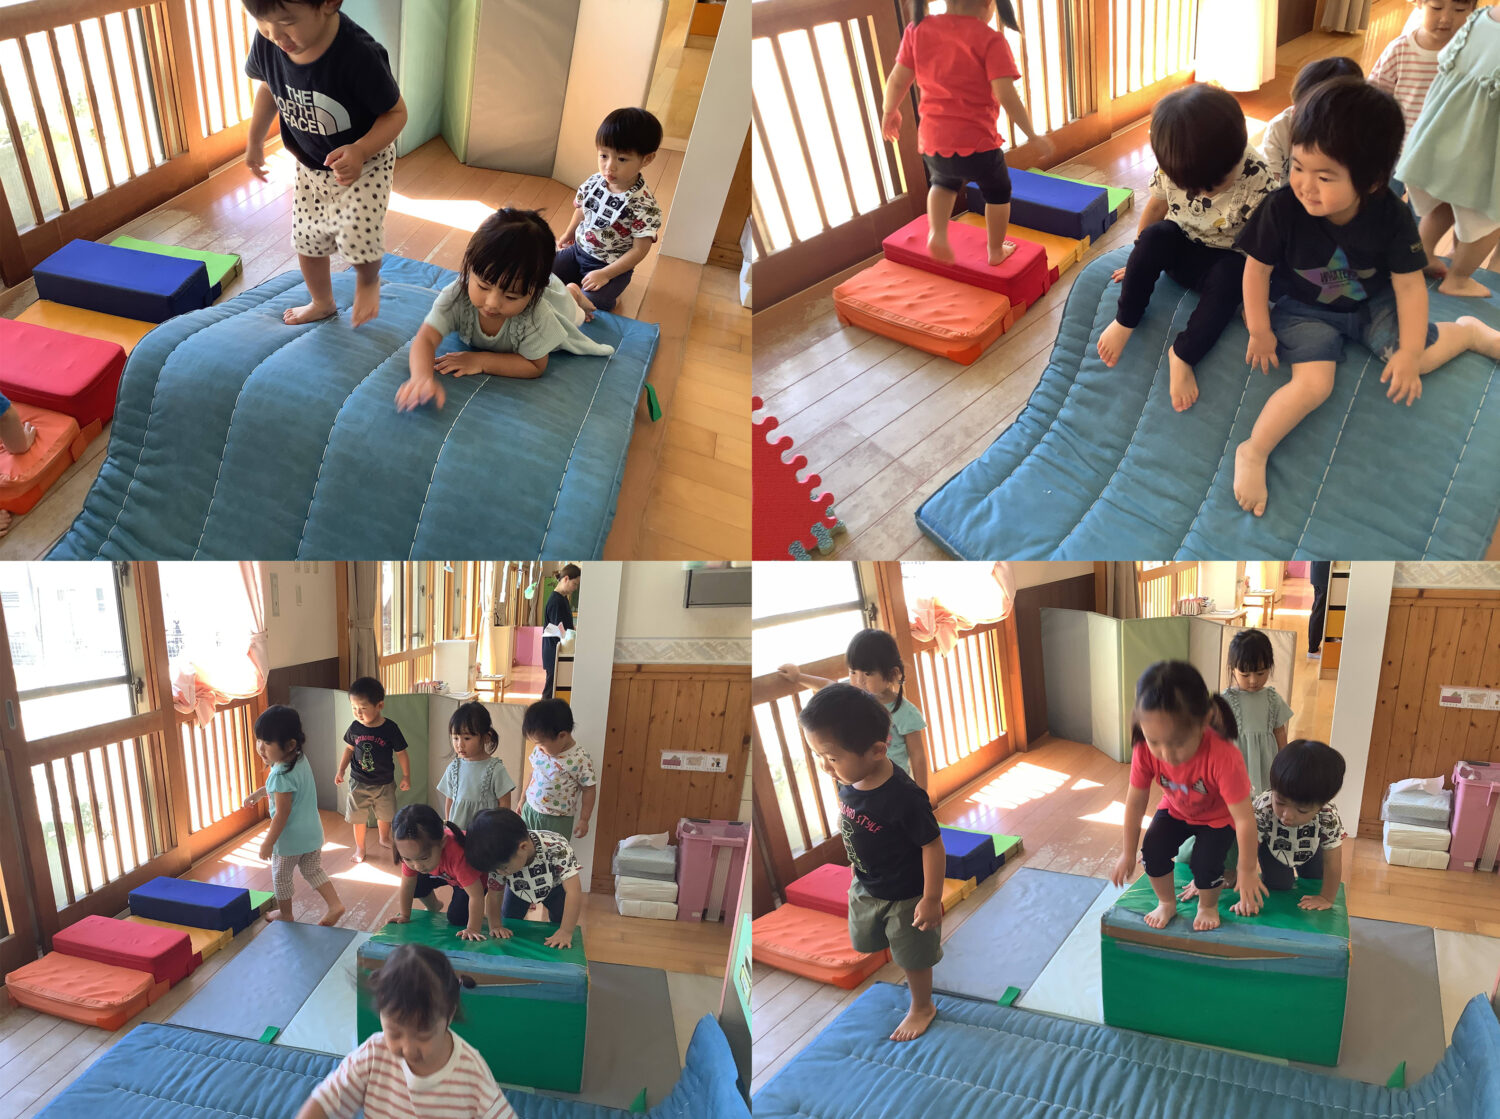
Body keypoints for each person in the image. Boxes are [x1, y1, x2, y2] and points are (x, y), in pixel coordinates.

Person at [1233, 77, 1500, 518]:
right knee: (1314, 385)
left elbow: (1409, 285)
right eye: (1298, 167)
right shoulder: (1282, 207)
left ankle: (1468, 333)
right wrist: (1260, 330)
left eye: (1325, 176)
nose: (1305, 185)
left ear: (1373, 180)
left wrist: (1409, 352)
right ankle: (1253, 450)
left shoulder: (1391, 214)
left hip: (1372, 305)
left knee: (1418, 359)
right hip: (1304, 309)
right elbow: (1256, 270)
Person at [1096, 84, 1276, 411]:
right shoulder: (1174, 164)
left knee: (1233, 273)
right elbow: (1155, 209)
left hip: (1224, 262)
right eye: (1191, 186)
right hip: (1180, 246)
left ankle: (1183, 355)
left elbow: (1262, 254)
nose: (1204, 193)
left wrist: (1256, 312)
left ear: (1239, 153)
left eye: (1214, 185)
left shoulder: (1259, 179)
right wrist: (1139, 261)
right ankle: (1125, 320)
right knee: (1155, 236)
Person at [242, 0, 407, 327]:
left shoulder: (358, 55)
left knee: (358, 236)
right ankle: (322, 302)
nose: (275, 35)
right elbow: (268, 89)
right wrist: (255, 141)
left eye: (287, 22)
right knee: (307, 240)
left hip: (365, 164)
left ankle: (368, 282)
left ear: (329, 3)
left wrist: (360, 150)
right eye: (263, 22)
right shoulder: (269, 41)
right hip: (310, 166)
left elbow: (396, 114)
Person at [801, 683, 944, 1041]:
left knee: (913, 957)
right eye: (819, 756)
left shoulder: (905, 798)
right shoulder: (850, 778)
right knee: (867, 941)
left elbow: (933, 846)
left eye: (832, 758)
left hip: (906, 894)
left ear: (878, 750)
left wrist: (930, 899)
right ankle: (899, 956)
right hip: (866, 882)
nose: (825, 767)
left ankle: (922, 1006)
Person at [881, 0, 1052, 267]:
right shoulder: (990, 40)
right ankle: (995, 250)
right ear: (989, 3)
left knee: (942, 183)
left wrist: (889, 112)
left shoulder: (918, 30)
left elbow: (897, 80)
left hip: (934, 142)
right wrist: (1032, 135)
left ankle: (938, 234)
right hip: (978, 144)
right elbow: (1006, 95)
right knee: (998, 192)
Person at [393, 210, 613, 411]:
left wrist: (481, 361)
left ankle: (573, 292)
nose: (492, 303)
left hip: (556, 302)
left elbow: (535, 365)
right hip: (533, 284)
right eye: (483, 286)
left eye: (510, 297)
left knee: (574, 314)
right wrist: (421, 377)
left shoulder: (536, 316)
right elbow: (426, 338)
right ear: (469, 266)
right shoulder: (456, 296)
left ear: (533, 293)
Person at [1108, 661, 1263, 932]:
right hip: (1176, 809)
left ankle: (1207, 906)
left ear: (1204, 721)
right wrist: (1128, 852)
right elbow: (1135, 802)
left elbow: (1244, 818)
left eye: (1178, 743)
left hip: (1218, 818)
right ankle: (1166, 902)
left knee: (1205, 865)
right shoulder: (1143, 747)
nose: (1167, 754)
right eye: (1155, 741)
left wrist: (1247, 869)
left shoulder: (1224, 756)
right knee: (1152, 852)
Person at [296, 943, 515, 1119]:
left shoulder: (471, 1072)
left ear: (449, 1015)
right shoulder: (373, 1054)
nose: (408, 1049)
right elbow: (326, 1101)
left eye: (423, 1035)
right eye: (395, 1033)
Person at [1396, 3, 1500, 297]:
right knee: (1490, 219)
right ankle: (1459, 278)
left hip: (1441, 138)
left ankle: (1420, 257)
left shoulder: (1481, 19)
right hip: (1483, 151)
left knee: (1442, 205)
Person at [1371, 0, 1471, 275]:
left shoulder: (1469, 54)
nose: (1446, 19)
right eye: (1436, 8)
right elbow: (1375, 95)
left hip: (1437, 157)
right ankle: (1375, 255)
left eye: (1460, 11)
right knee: (1379, 204)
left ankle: (1411, 261)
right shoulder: (1401, 49)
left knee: (1423, 216)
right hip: (1394, 150)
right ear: (1418, 3)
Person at [779, 628, 928, 784]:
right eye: (853, 672)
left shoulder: (906, 713)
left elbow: (917, 755)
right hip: (857, 778)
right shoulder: (851, 694)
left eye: (868, 673)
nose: (859, 680)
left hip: (892, 783)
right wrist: (798, 677)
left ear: (892, 674)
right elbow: (827, 685)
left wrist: (922, 791)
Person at [553, 108, 664, 313]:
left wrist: (605, 274)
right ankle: (575, 284)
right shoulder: (594, 182)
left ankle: (609, 296)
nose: (609, 167)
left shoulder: (644, 205)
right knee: (540, 273)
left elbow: (639, 250)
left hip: (611, 268)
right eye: (603, 155)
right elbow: (582, 210)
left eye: (622, 159)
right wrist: (569, 233)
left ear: (647, 159)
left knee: (592, 303)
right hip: (578, 251)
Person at [244, 705, 344, 925]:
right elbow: (286, 792)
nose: (260, 747)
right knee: (313, 870)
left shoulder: (280, 774)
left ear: (289, 744)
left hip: (289, 841)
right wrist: (260, 793)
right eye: (259, 740)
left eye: (267, 742)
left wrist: (268, 842)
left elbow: (282, 814)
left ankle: (286, 914)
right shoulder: (299, 759)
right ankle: (335, 905)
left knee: (281, 877)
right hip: (312, 833)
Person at [468, 808, 583, 949]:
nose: (500, 873)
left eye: (504, 868)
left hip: (555, 887)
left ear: (523, 847)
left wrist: (566, 931)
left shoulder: (557, 847)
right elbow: (494, 894)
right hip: (518, 887)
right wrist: (496, 925)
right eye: (495, 870)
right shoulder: (499, 860)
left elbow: (574, 892)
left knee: (560, 919)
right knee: (509, 918)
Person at [335, 676, 410, 863]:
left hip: (384, 783)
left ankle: (384, 838)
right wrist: (341, 770)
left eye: (363, 708)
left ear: (379, 706)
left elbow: (401, 752)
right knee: (358, 817)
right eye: (354, 708)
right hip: (358, 782)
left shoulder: (390, 728)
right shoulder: (355, 727)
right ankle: (360, 848)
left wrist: (406, 775)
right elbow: (349, 750)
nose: (358, 713)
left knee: (385, 815)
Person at [1260, 57, 1363, 186]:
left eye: (1310, 116)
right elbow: (1269, 183)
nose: (1296, 114)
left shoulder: (1358, 138)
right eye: (1298, 107)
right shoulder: (1280, 127)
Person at [389, 803, 487, 941]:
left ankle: (475, 914)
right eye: (408, 859)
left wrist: (473, 928)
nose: (417, 865)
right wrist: (405, 915)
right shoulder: (413, 853)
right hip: (444, 873)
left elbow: (476, 896)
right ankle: (434, 905)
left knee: (457, 918)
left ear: (442, 842)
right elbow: (407, 885)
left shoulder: (459, 856)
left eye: (423, 858)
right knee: (415, 886)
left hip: (472, 881)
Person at [1221, 628, 1294, 797]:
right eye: (1245, 674)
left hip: (1266, 763)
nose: (1253, 680)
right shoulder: (1225, 700)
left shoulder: (1272, 698)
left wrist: (1286, 762)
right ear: (1232, 670)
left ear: (1270, 667)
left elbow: (1280, 732)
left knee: (1265, 799)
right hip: (1235, 765)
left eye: (1261, 673)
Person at [520, 698, 596, 840]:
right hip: (530, 810)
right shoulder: (540, 751)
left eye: (541, 744)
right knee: (525, 848)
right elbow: (532, 772)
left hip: (557, 821)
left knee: (555, 852)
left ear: (562, 736)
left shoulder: (580, 759)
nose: (538, 748)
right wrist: (522, 798)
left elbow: (589, 789)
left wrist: (584, 819)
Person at [437, 702, 515, 829]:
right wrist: (449, 827)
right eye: (455, 738)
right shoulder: (453, 768)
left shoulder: (495, 769)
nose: (460, 745)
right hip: (459, 830)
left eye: (467, 738)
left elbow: (505, 804)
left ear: (486, 737)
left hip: (486, 831)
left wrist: (500, 829)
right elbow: (449, 800)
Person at [542, 565, 580, 700]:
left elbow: (564, 625)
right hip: (554, 651)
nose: (575, 588)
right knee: (550, 691)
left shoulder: (562, 599)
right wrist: (571, 632)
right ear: (566, 579)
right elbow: (559, 629)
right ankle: (542, 713)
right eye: (575, 584)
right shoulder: (556, 601)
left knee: (555, 690)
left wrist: (574, 629)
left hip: (558, 650)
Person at [1307, 561, 1332, 657]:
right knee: (1319, 612)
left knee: (1318, 610)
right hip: (1323, 574)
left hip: (1319, 573)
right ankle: (1312, 649)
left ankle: (1313, 648)